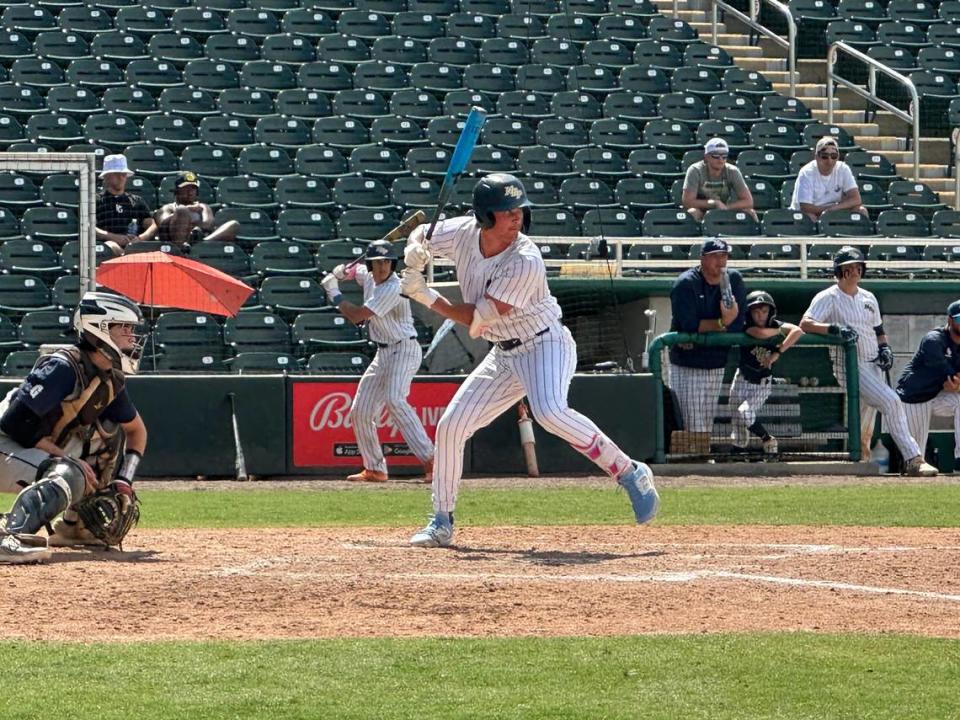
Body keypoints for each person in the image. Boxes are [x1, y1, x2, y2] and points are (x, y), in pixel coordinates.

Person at [398, 173, 659, 547]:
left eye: (519, 209)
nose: (517, 217)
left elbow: (478, 318)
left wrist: (426, 296)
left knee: (550, 411)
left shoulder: (525, 258)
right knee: (451, 426)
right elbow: (423, 231)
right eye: (507, 211)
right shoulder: (461, 232)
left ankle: (628, 470)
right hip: (503, 354)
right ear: (485, 217)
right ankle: (441, 520)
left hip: (544, 344)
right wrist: (415, 248)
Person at [0, 292, 149, 563]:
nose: (132, 335)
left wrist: (124, 479)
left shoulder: (110, 379)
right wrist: (65, 459)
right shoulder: (64, 366)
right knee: (70, 471)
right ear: (99, 329)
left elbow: (136, 432)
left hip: (26, 451)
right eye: (124, 327)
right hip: (5, 443)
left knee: (108, 438)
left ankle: (74, 528)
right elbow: (13, 423)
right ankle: (10, 535)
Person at [799, 246, 937, 476]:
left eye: (857, 266)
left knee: (866, 423)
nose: (855, 271)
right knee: (892, 402)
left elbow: (878, 329)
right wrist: (833, 328)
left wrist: (885, 348)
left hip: (874, 363)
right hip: (849, 364)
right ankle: (914, 458)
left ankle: (861, 466)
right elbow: (806, 323)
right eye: (849, 267)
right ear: (839, 271)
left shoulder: (868, 296)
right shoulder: (828, 296)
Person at [319, 240, 434, 484]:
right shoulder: (370, 275)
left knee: (395, 399)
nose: (382, 267)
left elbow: (357, 317)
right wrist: (343, 271)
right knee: (360, 412)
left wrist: (334, 292)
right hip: (383, 353)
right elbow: (356, 272)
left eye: (386, 262)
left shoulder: (393, 287)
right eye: (377, 263)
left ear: (393, 264)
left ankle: (432, 460)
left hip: (404, 349)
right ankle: (375, 468)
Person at [668, 237, 747, 455]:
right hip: (687, 364)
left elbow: (738, 324)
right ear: (702, 259)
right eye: (715, 257)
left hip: (715, 362)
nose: (720, 262)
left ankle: (699, 457)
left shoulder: (733, 280)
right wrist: (722, 322)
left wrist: (719, 325)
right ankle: (696, 458)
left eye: (723, 256)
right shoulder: (686, 283)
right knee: (692, 419)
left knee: (706, 418)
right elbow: (690, 325)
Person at [729, 290, 803, 456]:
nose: (761, 315)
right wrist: (780, 331)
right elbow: (760, 334)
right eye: (756, 311)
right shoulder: (745, 325)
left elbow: (798, 331)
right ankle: (737, 452)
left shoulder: (773, 323)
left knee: (745, 412)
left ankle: (767, 438)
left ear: (770, 311)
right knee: (737, 419)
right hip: (741, 378)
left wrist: (778, 351)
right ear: (750, 313)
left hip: (761, 383)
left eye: (764, 311)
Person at [895, 300, 960, 471]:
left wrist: (956, 386)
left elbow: (954, 384)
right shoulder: (934, 340)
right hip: (914, 397)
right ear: (950, 320)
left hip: (938, 395)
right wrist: (955, 385)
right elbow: (951, 378)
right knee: (916, 460)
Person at [789, 137, 868, 224]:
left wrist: (834, 209)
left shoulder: (843, 169)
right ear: (817, 157)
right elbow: (805, 207)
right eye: (824, 156)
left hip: (835, 210)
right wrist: (829, 210)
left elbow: (856, 199)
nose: (829, 161)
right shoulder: (807, 173)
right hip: (811, 212)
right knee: (810, 217)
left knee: (861, 211)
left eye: (833, 156)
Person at [155, 170, 239, 249]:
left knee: (234, 225)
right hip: (175, 245)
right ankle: (182, 248)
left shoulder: (202, 207)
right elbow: (162, 224)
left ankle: (200, 245)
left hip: (201, 241)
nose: (190, 192)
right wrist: (185, 211)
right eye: (186, 188)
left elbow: (208, 224)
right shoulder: (167, 208)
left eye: (193, 188)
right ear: (177, 190)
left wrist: (195, 231)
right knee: (182, 210)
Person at [681, 138, 758, 222]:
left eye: (724, 156)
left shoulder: (732, 171)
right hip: (702, 211)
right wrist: (713, 203)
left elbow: (748, 201)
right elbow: (687, 202)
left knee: (750, 213)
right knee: (693, 212)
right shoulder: (695, 170)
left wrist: (727, 208)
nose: (721, 160)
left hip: (725, 209)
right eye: (716, 156)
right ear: (706, 157)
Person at [95, 154, 157, 254]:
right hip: (105, 250)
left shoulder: (136, 200)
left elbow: (152, 225)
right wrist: (112, 237)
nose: (121, 177)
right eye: (116, 174)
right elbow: (88, 227)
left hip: (134, 247)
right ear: (106, 176)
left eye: (123, 174)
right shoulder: (95, 200)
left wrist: (140, 238)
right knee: (112, 246)